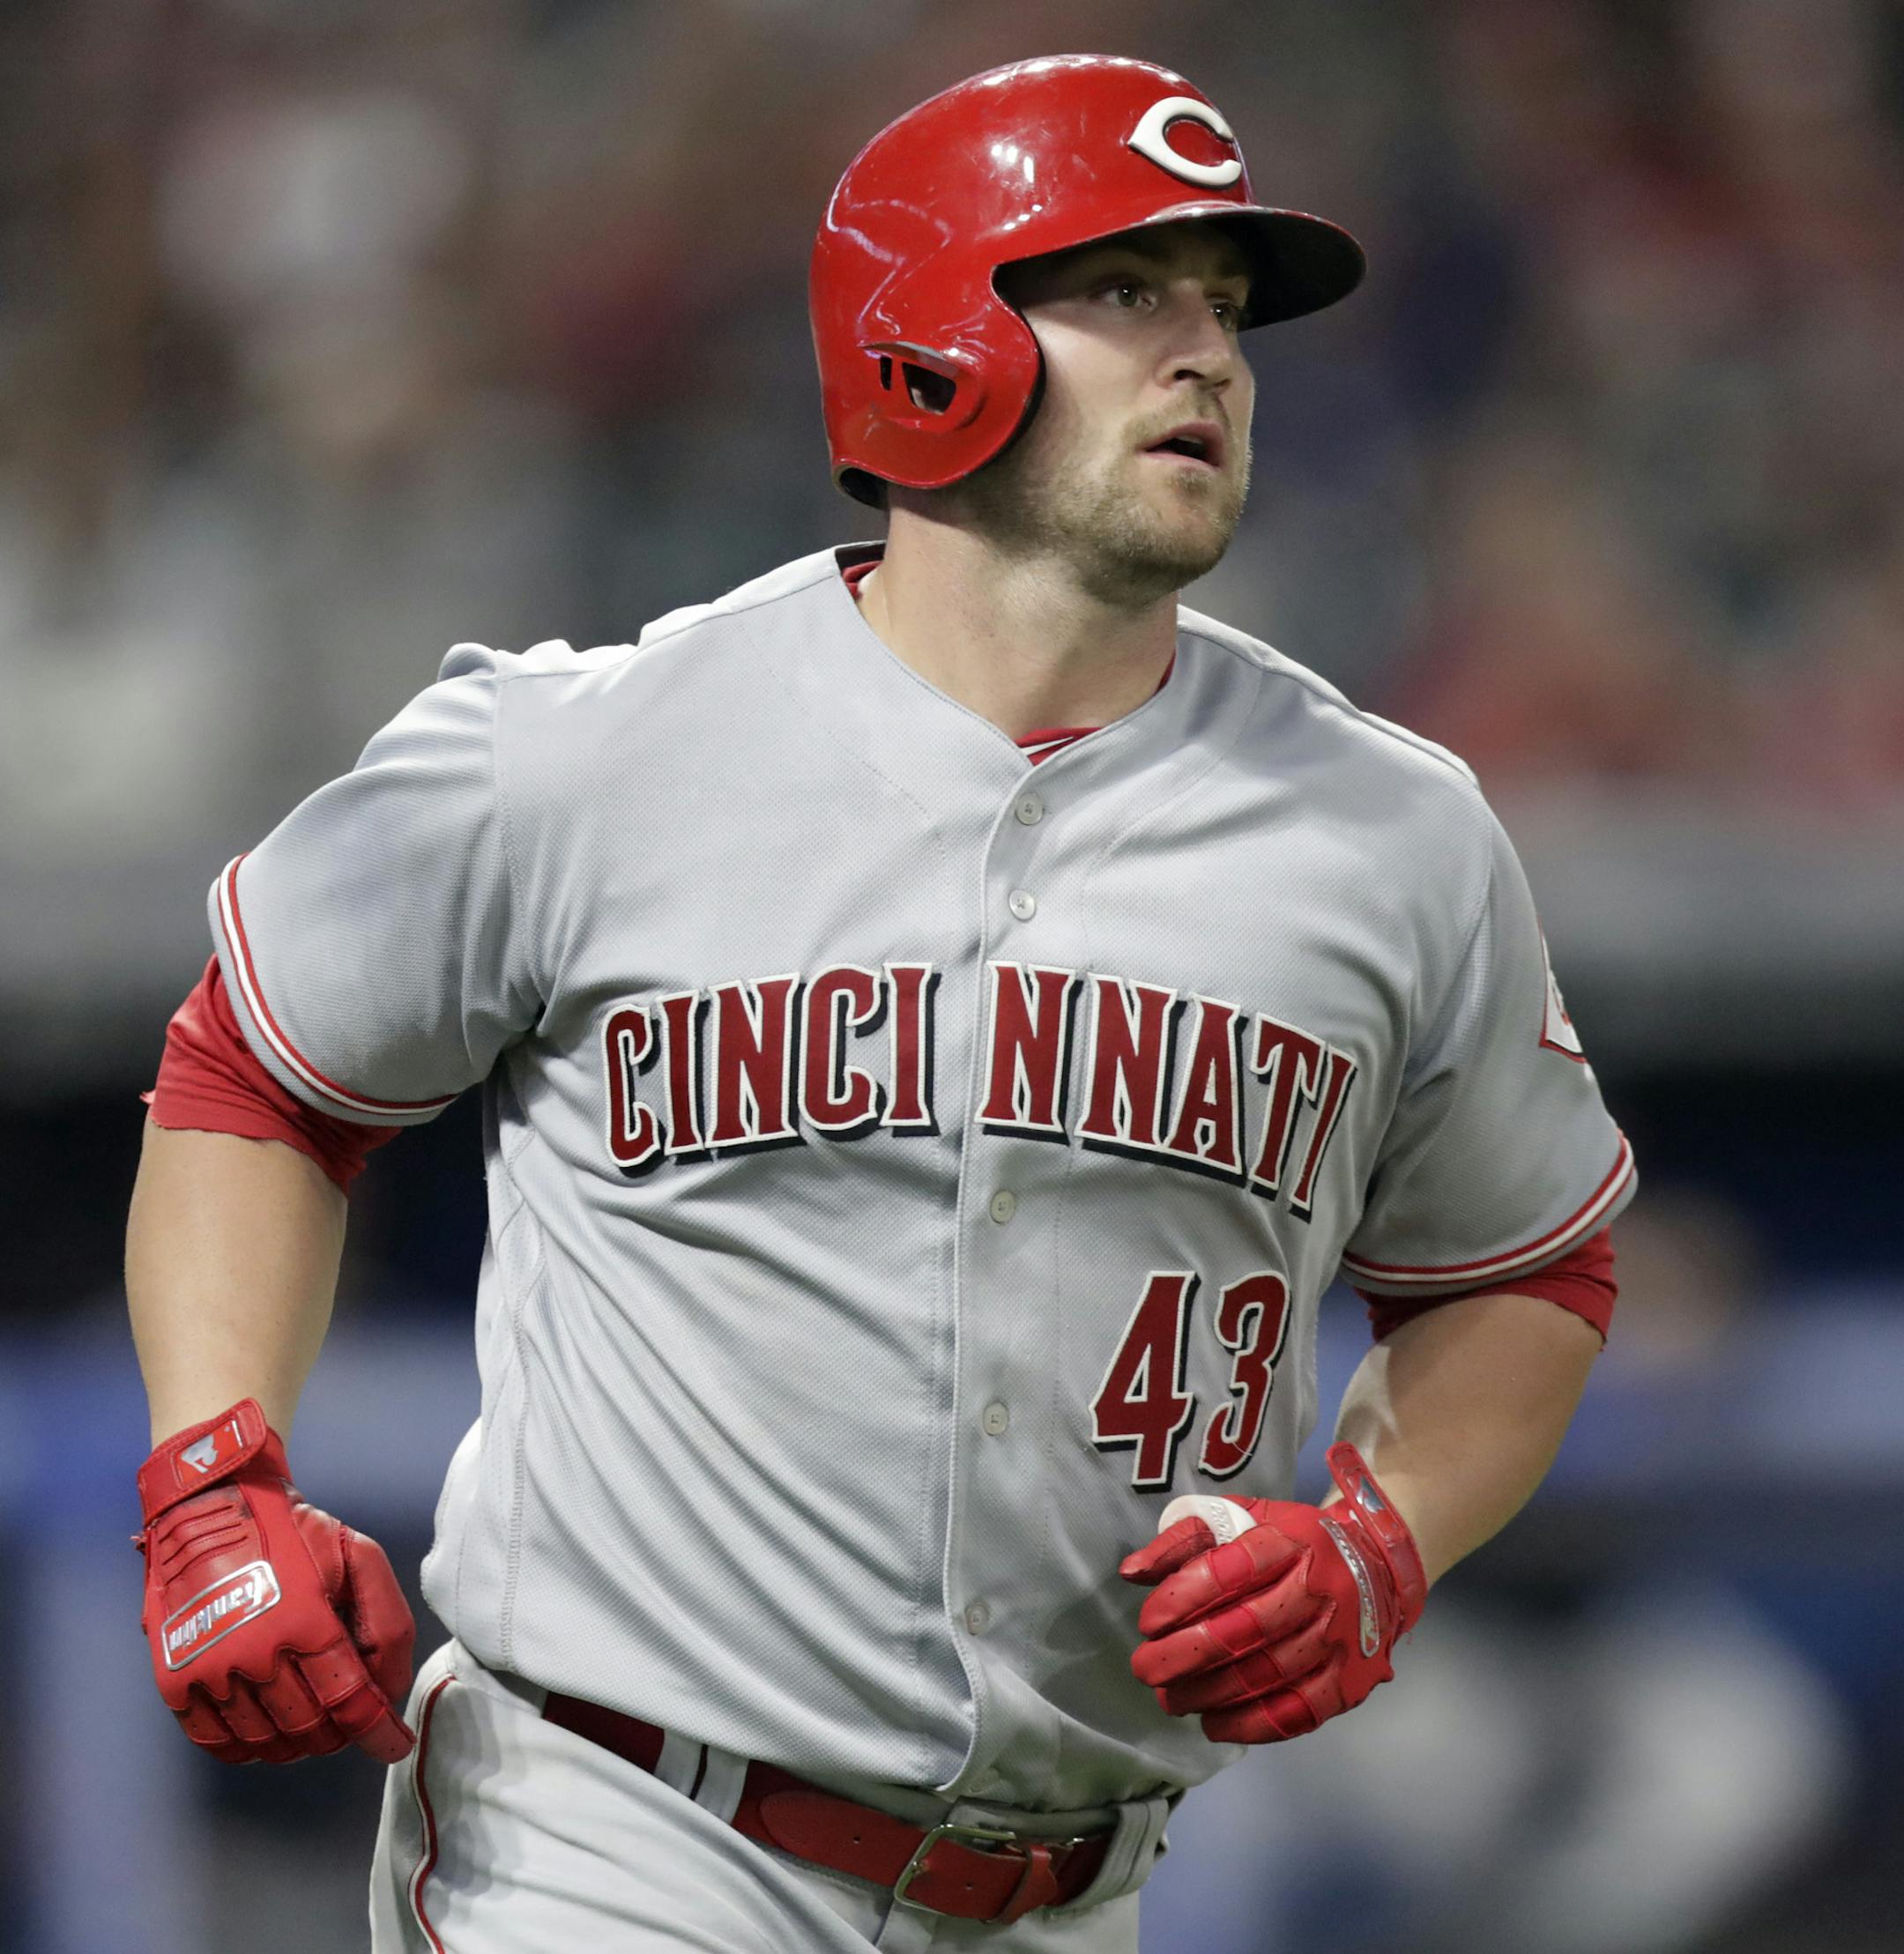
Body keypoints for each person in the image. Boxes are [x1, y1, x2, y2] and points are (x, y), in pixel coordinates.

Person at [126, 54, 1635, 1954]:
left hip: (1074, 1888)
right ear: (928, 341)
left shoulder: (1393, 832)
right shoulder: (599, 750)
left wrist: (1386, 1530)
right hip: (614, 1837)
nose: (1214, 358)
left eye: (1228, 311)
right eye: (1128, 292)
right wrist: (212, 1472)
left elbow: (1528, 1263)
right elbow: (255, 1072)